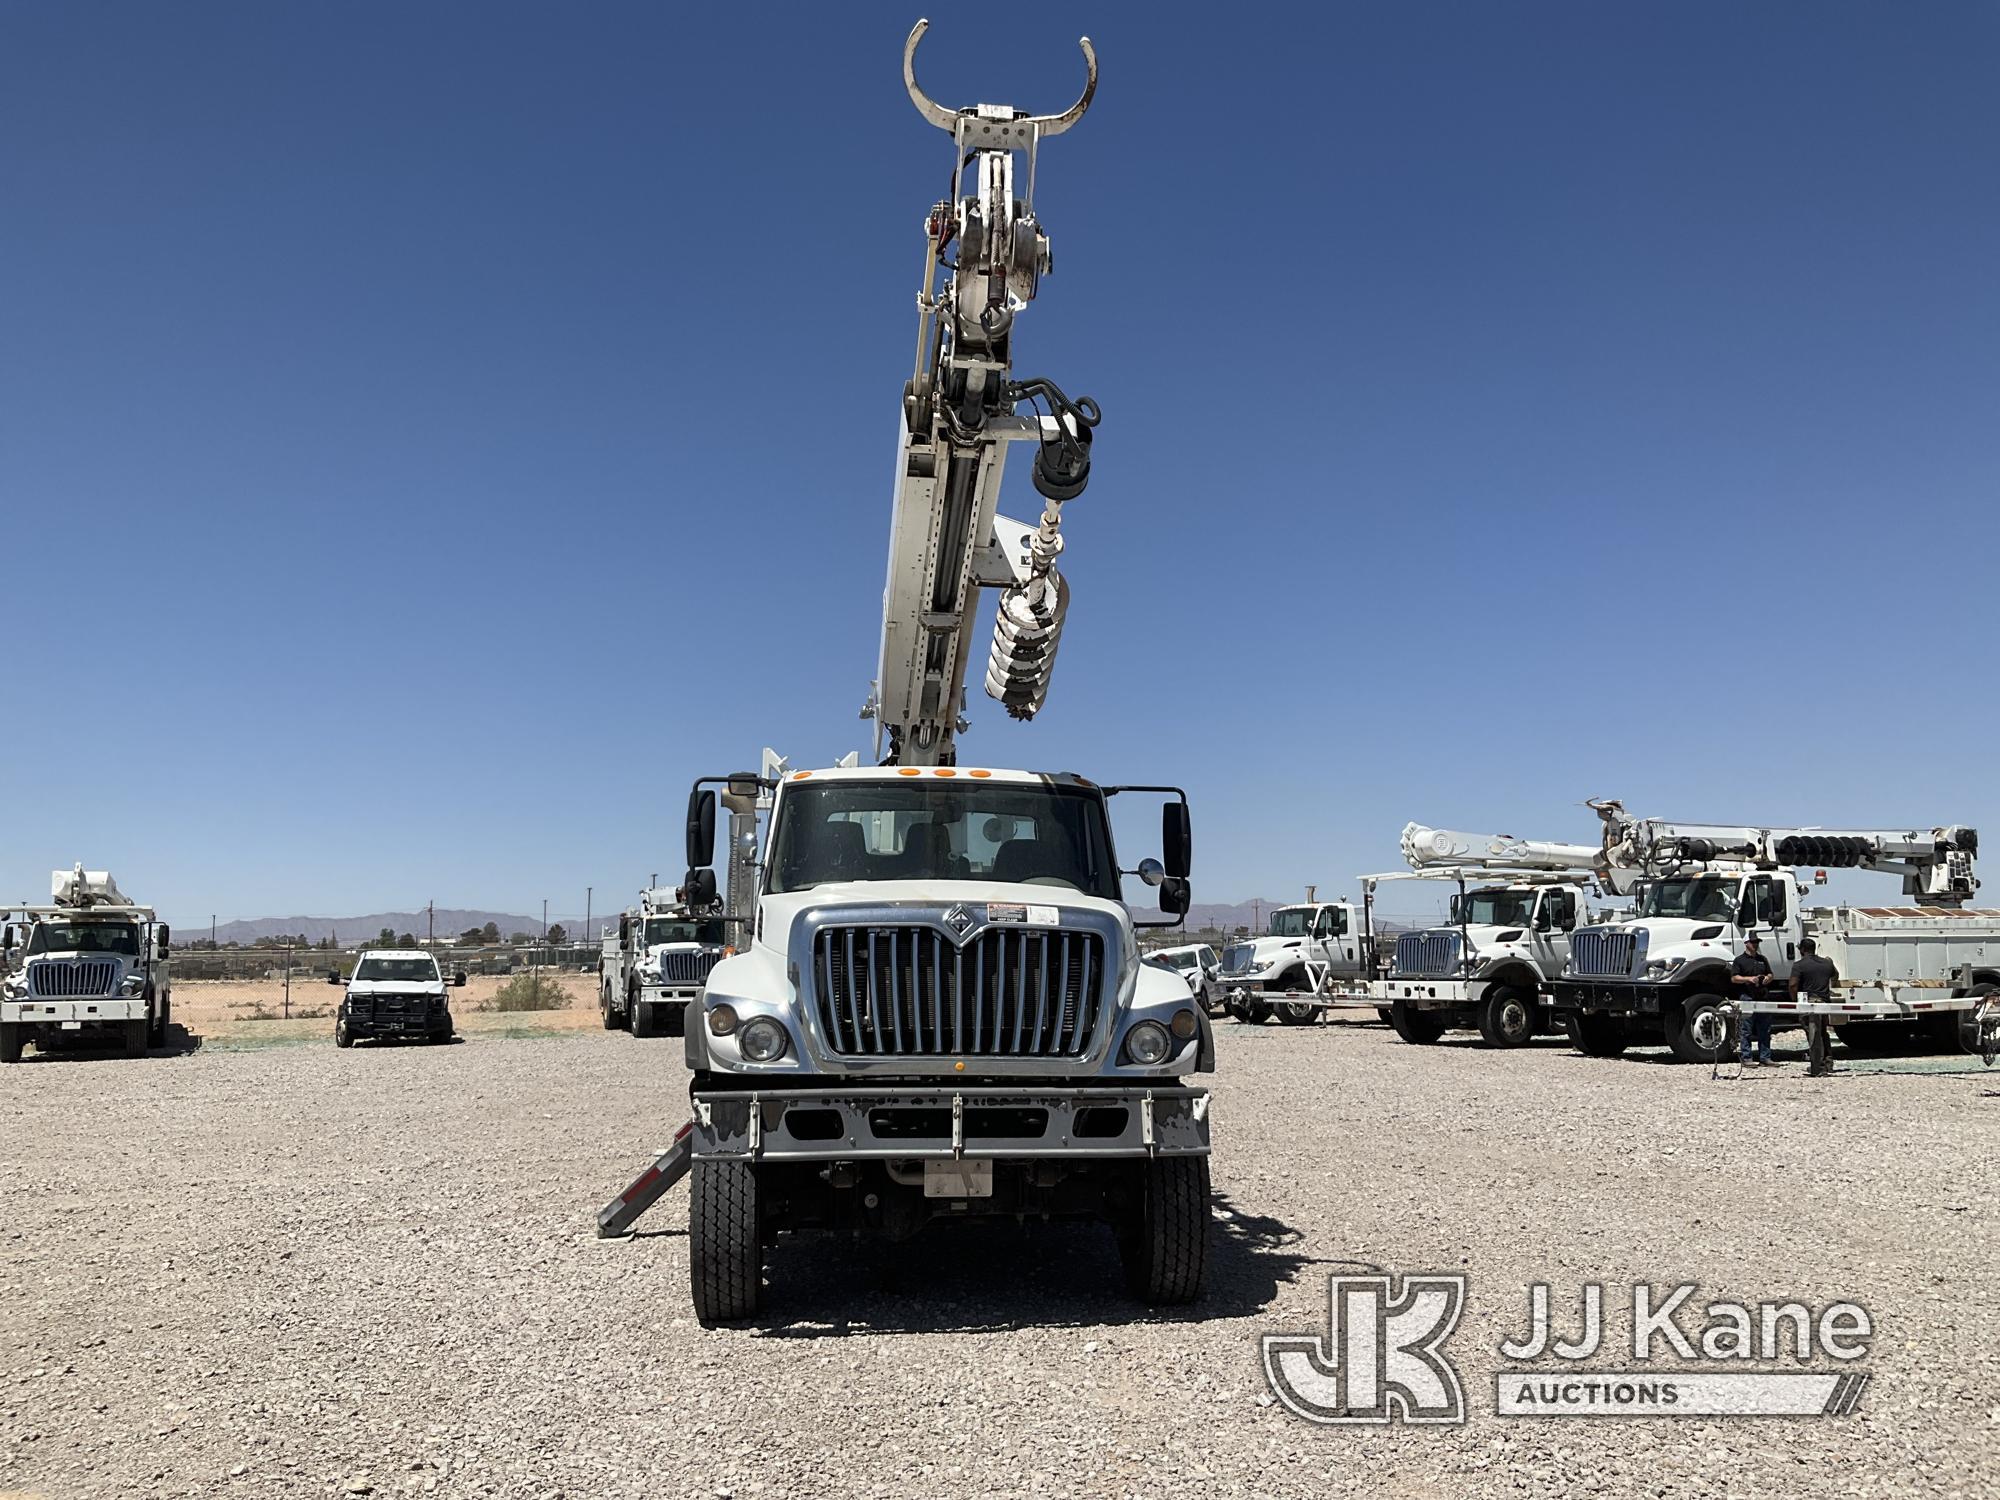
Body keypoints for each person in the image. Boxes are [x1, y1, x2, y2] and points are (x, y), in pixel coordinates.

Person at [1791, 936, 1840, 1076]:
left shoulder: (1799, 965)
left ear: (1803, 950)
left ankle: (1817, 1066)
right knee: (1823, 1032)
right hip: (1824, 1003)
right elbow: (1835, 976)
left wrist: (1796, 1002)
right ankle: (1828, 1062)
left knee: (1813, 1034)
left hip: (1809, 1002)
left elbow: (1793, 985)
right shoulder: (1827, 963)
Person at [1732, 935, 1776, 1065]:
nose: (1755, 944)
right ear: (1746, 943)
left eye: (1757, 942)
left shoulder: (1762, 959)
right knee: (1746, 1029)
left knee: (1765, 1028)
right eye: (1753, 942)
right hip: (1747, 997)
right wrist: (1749, 979)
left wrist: (1768, 978)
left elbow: (1770, 973)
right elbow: (1734, 978)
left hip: (1762, 996)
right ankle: (1747, 1057)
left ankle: (1765, 1057)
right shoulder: (1739, 960)